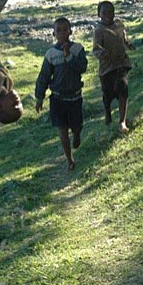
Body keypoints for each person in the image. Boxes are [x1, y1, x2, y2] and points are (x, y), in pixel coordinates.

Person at [35, 17, 88, 171]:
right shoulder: (51, 54)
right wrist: (39, 97)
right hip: (57, 98)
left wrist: (68, 56)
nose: (62, 33)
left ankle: (77, 135)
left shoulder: (78, 49)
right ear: (54, 33)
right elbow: (44, 76)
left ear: (70, 31)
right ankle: (69, 159)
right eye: (59, 30)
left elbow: (82, 68)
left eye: (65, 29)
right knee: (62, 128)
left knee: (77, 126)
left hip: (75, 96)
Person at [92, 0, 135, 134]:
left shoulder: (119, 25)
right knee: (107, 94)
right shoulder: (99, 31)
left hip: (121, 63)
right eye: (104, 12)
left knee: (123, 89)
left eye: (110, 11)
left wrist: (129, 44)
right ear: (99, 14)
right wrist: (102, 53)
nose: (108, 14)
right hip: (107, 68)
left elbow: (124, 38)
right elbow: (95, 49)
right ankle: (108, 114)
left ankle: (122, 121)